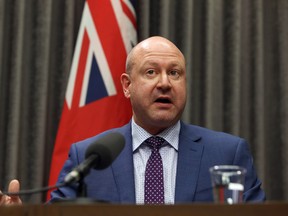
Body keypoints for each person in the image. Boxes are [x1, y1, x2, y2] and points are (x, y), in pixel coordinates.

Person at [0, 36, 265, 205]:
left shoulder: (228, 153)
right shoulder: (88, 158)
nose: (164, 83)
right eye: (151, 72)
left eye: (175, 73)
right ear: (127, 86)